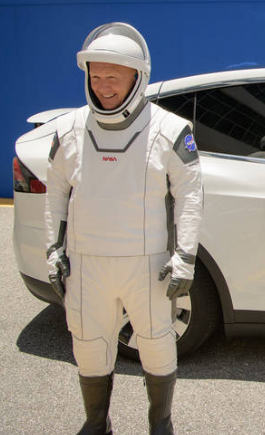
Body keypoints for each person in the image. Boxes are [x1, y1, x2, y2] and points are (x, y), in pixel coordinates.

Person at [45, 22, 203, 435]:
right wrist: (52, 249)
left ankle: (160, 424)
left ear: (138, 76)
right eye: (95, 75)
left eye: (113, 75)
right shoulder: (68, 129)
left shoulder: (170, 131)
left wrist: (184, 257)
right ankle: (97, 423)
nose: (103, 85)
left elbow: (189, 197)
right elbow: (56, 192)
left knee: (156, 347)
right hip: (86, 264)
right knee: (89, 348)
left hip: (147, 265)